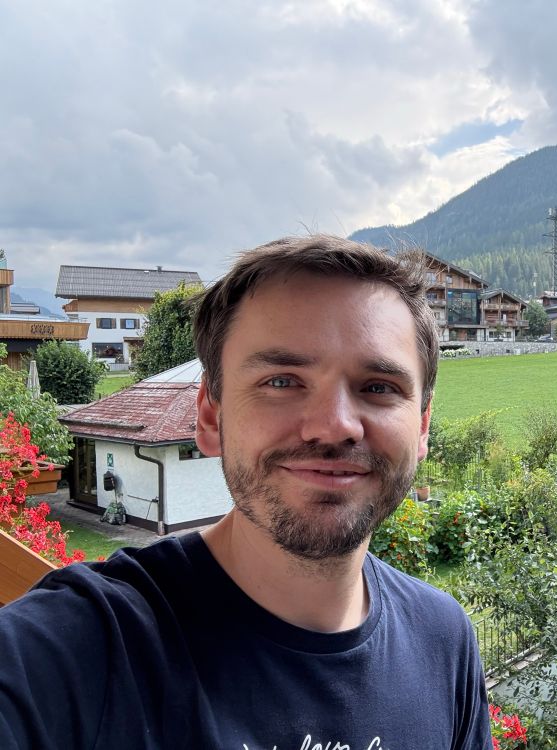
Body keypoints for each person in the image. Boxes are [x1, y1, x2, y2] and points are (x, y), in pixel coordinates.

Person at [0, 235, 492, 749]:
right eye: (282, 381)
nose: (334, 426)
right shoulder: (82, 648)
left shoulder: (444, 641)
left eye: (378, 387)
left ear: (421, 428)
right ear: (211, 416)